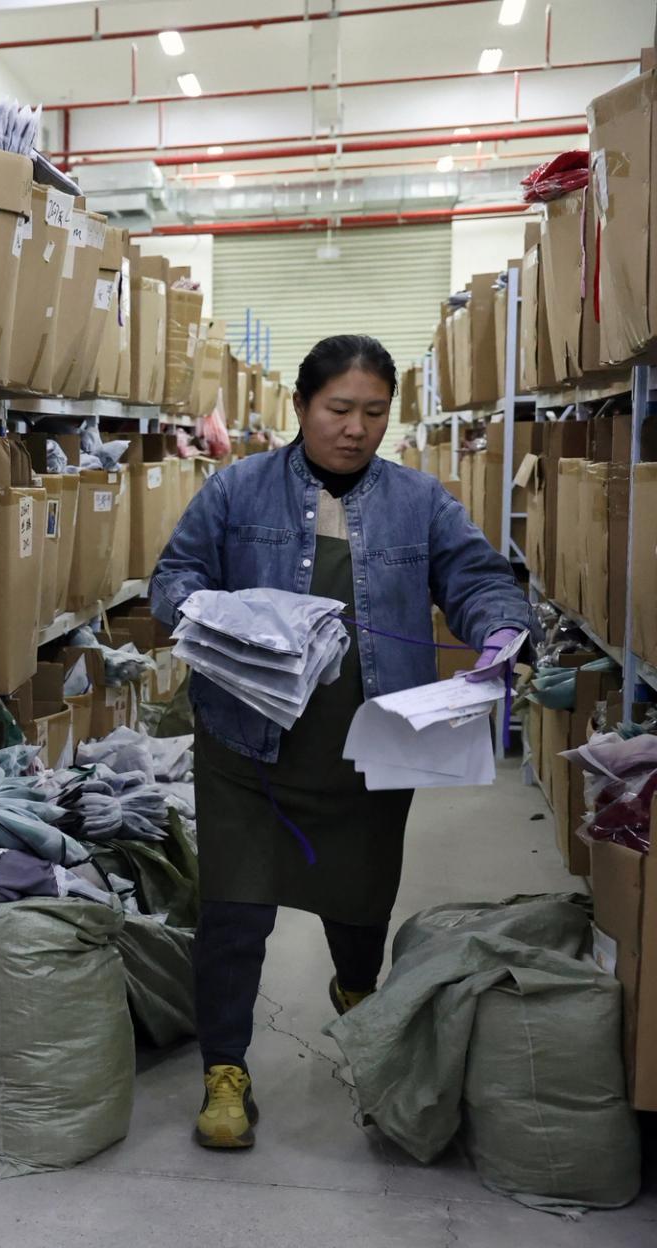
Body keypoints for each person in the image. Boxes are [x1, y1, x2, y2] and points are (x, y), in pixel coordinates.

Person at [149, 335, 532, 1151]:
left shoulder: (418, 501)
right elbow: (173, 577)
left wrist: (501, 629)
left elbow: (476, 577)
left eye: (374, 413)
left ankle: (360, 1006)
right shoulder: (236, 490)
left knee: (359, 912)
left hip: (365, 751)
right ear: (300, 406)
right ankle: (227, 1073)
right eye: (338, 410)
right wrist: (224, 619)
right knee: (234, 914)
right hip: (246, 746)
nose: (356, 429)